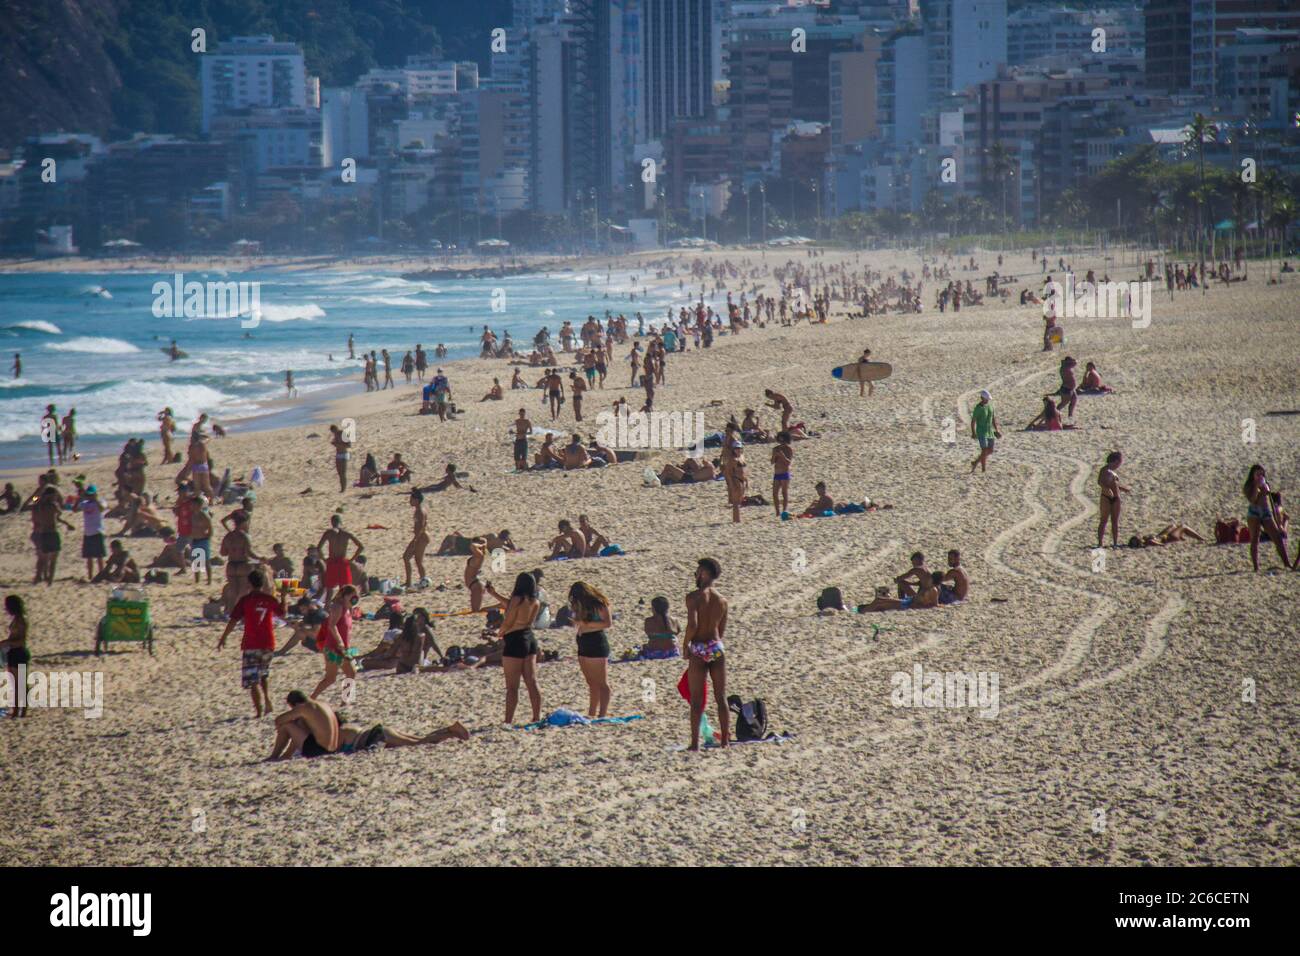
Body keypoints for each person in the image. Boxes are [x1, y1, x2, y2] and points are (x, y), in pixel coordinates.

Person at [217, 568, 286, 717]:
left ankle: (259, 710)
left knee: (252, 678)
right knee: (263, 674)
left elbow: (233, 620)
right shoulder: (270, 600)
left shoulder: (245, 600)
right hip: (268, 642)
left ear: (249, 583)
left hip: (251, 643)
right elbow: (282, 613)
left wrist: (224, 637)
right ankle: (267, 699)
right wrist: (285, 597)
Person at [684, 558, 729, 751]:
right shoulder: (722, 600)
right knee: (721, 697)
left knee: (696, 700)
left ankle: (694, 743)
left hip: (699, 647)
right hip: (716, 646)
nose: (695, 575)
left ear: (703, 573)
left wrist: (686, 644)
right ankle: (725, 741)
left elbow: (693, 624)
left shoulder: (693, 597)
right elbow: (722, 629)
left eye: (697, 572)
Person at [494, 572, 542, 724]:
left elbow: (509, 620)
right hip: (529, 639)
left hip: (515, 641)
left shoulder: (517, 599)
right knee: (532, 682)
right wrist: (494, 593)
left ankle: (508, 720)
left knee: (512, 687)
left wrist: (499, 633)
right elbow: (523, 617)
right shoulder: (535, 601)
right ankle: (536, 717)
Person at [569, 582, 612, 717]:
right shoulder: (580, 606)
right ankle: (592, 712)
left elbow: (607, 623)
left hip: (596, 642)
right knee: (591, 682)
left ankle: (602, 714)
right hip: (583, 642)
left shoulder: (599, 604)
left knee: (602, 683)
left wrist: (586, 624)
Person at [1243, 464, 1292, 571]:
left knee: (1277, 538)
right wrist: (1256, 486)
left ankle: (1287, 563)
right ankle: (1256, 567)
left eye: (1261, 474)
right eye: (1257, 474)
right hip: (1254, 513)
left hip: (1265, 512)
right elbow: (1252, 500)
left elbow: (1269, 501)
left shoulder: (1265, 484)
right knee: (1255, 540)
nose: (1260, 476)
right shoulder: (1249, 486)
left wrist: (1278, 521)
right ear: (1253, 475)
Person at [312, 585, 358, 699]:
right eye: (352, 596)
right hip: (333, 648)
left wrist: (347, 646)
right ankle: (312, 698)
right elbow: (332, 625)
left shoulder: (349, 609)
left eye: (356, 596)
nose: (355, 598)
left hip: (343, 649)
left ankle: (346, 700)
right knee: (331, 678)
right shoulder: (338, 607)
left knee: (350, 673)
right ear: (344, 596)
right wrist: (340, 642)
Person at [268, 690, 339, 760]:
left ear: (296, 704)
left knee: (286, 726)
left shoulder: (304, 707)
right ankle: (286, 755)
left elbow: (278, 720)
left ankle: (274, 756)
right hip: (332, 748)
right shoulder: (322, 704)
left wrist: (285, 725)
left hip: (319, 750)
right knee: (300, 723)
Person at [30, 485, 74, 585]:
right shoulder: (53, 505)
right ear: (51, 496)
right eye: (55, 495)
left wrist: (39, 495)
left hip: (43, 533)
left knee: (42, 559)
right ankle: (49, 580)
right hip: (52, 533)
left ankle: (38, 577)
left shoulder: (39, 505)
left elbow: (34, 500)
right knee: (53, 559)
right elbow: (59, 512)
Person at [317, 514, 363, 603]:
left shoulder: (329, 533)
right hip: (342, 562)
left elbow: (319, 548)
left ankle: (327, 613)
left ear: (332, 522)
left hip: (332, 562)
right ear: (340, 522)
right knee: (346, 591)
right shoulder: (346, 534)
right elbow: (360, 547)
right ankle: (347, 613)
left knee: (329, 592)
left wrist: (324, 559)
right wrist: (352, 559)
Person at [2, 595, 30, 718]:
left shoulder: (21, 620)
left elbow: (20, 641)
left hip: (19, 653)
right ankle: (16, 710)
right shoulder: (16, 619)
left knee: (21, 684)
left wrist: (6, 643)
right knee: (15, 684)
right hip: (13, 652)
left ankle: (22, 710)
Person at [1097, 451, 1130, 549]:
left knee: (1115, 521)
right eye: (1120, 462)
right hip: (1106, 497)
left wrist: (1123, 488)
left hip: (1116, 498)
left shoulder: (1113, 472)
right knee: (1104, 520)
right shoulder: (1104, 470)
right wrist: (1107, 490)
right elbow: (1100, 482)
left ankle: (1115, 542)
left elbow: (1114, 484)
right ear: (1116, 461)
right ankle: (1100, 543)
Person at [77, 484, 106, 581]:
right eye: (88, 495)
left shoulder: (100, 502)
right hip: (87, 533)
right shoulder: (84, 503)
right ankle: (90, 576)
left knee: (99, 556)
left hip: (97, 531)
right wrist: (80, 497)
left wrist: (95, 499)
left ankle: (101, 575)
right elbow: (74, 509)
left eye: (91, 495)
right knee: (89, 557)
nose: (90, 497)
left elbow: (102, 508)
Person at [402, 489, 430, 588]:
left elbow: (421, 527)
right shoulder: (418, 510)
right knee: (415, 560)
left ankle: (416, 581)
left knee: (408, 557)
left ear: (417, 500)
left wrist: (415, 540)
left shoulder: (420, 511)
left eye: (411, 499)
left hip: (421, 537)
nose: (410, 501)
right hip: (419, 537)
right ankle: (413, 581)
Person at [969, 390, 1001, 474]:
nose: (987, 400)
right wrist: (973, 433)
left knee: (990, 450)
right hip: (981, 431)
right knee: (984, 450)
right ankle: (983, 469)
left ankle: (975, 462)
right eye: (986, 398)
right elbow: (973, 421)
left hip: (989, 431)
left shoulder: (990, 406)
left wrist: (996, 429)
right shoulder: (978, 408)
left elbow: (993, 419)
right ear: (982, 398)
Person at [771, 431, 793, 517]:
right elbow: (772, 462)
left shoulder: (789, 449)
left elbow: (788, 463)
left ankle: (784, 510)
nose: (781, 443)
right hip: (777, 473)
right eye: (780, 441)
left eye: (783, 441)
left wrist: (782, 456)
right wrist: (775, 455)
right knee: (774, 493)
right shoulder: (775, 449)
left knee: (784, 492)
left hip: (785, 473)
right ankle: (777, 511)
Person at [329, 424, 351, 492]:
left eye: (334, 431)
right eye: (333, 432)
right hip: (338, 454)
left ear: (336, 428)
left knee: (343, 473)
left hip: (344, 454)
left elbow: (348, 445)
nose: (334, 433)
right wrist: (335, 444)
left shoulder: (342, 434)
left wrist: (338, 444)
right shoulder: (335, 435)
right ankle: (342, 488)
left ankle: (343, 489)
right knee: (339, 473)